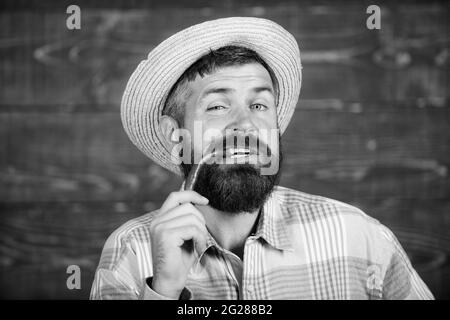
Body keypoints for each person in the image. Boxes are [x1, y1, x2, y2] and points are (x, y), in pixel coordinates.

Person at [90, 17, 433, 300]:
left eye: (258, 106)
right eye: (217, 107)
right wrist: (163, 290)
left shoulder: (359, 239)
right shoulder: (132, 252)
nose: (245, 124)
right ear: (173, 135)